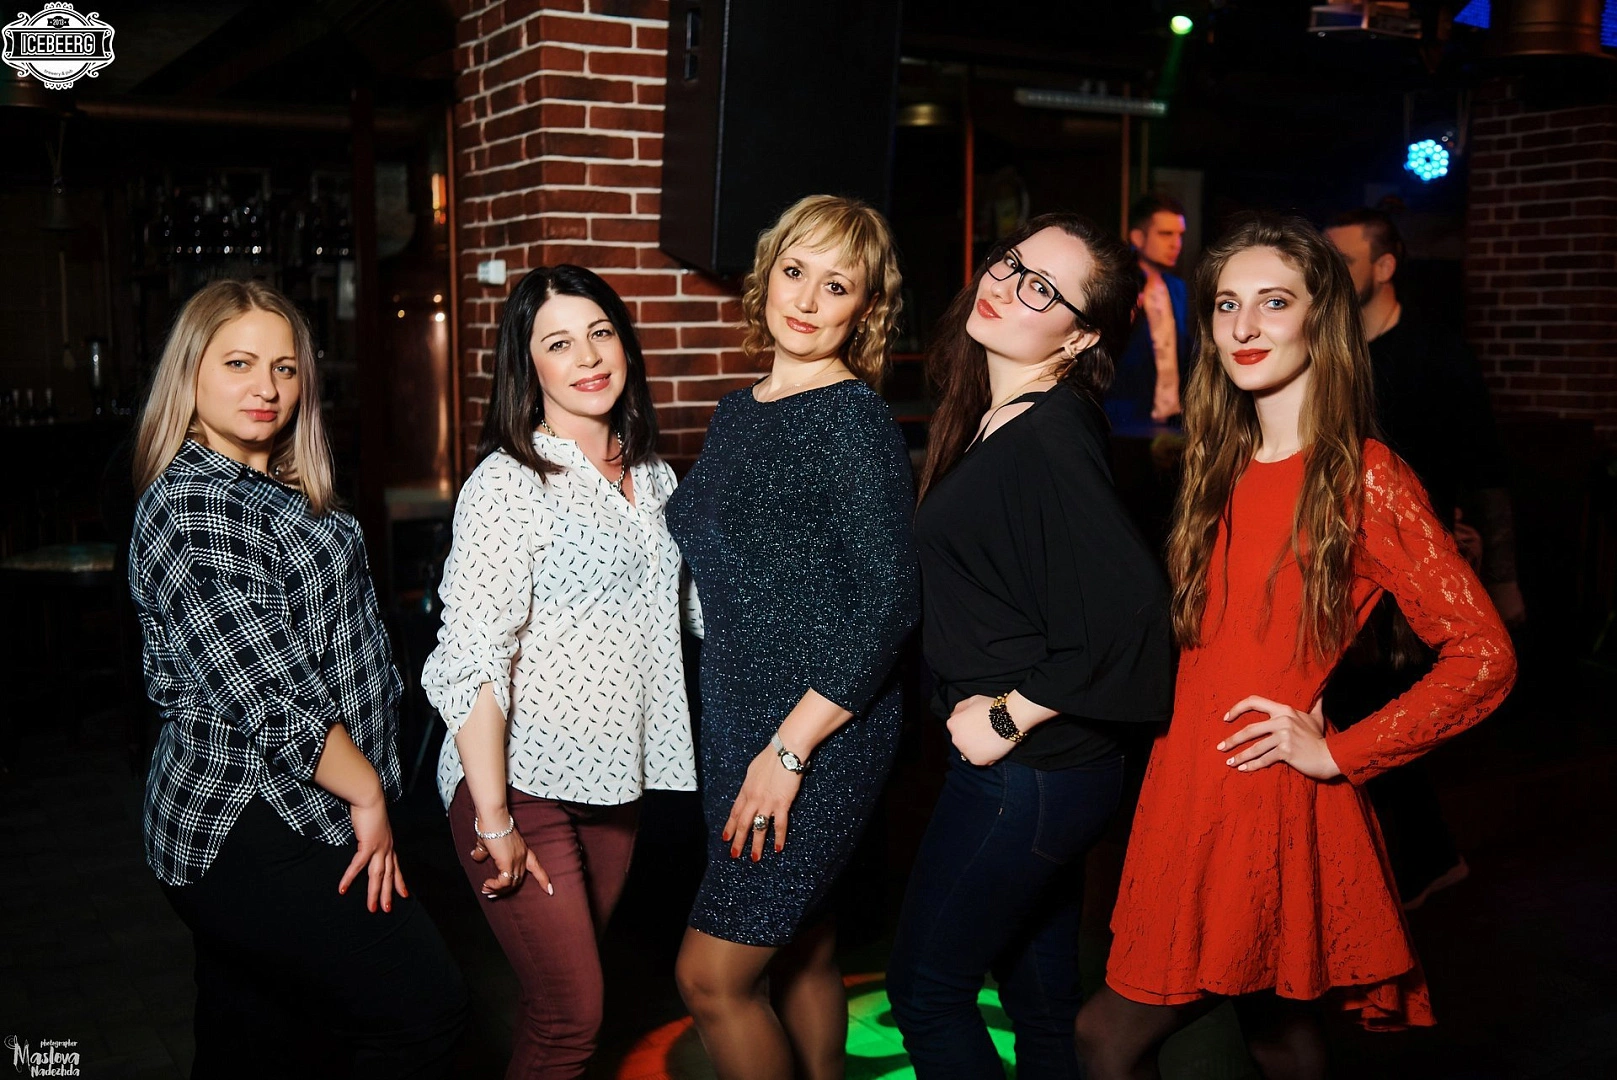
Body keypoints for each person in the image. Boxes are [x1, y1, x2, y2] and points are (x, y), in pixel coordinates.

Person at [1075, 214, 1517, 1079]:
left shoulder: (1364, 474)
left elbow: (1483, 655)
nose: (1243, 326)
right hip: (1184, 780)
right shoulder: (1217, 461)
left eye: (1273, 302)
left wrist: (1339, 752)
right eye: (1225, 304)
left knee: (1105, 1036)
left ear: (1321, 318)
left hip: (1257, 793)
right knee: (1275, 1028)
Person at [128, 280, 467, 1079]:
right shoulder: (195, 504)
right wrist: (369, 794)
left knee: (258, 1043)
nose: (267, 387)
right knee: (426, 1013)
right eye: (239, 363)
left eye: (284, 368)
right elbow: (270, 701)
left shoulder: (266, 484)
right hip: (254, 816)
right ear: (190, 372)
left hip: (297, 801)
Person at [885, 213, 1174, 1078]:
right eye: (1010, 264)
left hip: (1030, 774)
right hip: (1055, 777)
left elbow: (1132, 610)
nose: (1006, 287)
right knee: (1041, 1003)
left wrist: (1009, 716)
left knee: (925, 991)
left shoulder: (1048, 435)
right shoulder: (1008, 414)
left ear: (1079, 336)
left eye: (1041, 288)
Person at [665, 194, 919, 1080]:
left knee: (711, 979)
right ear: (766, 276)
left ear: (866, 308)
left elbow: (890, 603)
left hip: (815, 730)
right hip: (737, 713)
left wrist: (789, 750)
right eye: (794, 271)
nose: (807, 300)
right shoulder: (741, 410)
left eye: (836, 284)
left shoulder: (851, 420)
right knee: (804, 945)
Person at [421, 265, 697, 1078]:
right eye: (559, 343)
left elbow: (691, 615)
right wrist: (493, 816)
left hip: (616, 783)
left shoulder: (655, 477)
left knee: (555, 1005)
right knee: (575, 1015)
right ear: (528, 364)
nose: (588, 357)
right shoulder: (508, 483)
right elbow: (472, 655)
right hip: (518, 783)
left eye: (600, 333)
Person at [1324, 208, 1524, 910]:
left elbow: (1485, 469)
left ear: (1384, 267)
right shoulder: (1328, 351)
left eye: (1345, 260)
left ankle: (1424, 864)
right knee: (1351, 706)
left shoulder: (1437, 354)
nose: (1330, 272)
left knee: (1377, 709)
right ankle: (1414, 862)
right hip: (1342, 568)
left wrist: (1502, 579)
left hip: (1416, 572)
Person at [1104, 192, 1194, 427]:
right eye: (1165, 234)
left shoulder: (1177, 288)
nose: (1176, 244)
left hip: (1172, 417)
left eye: (1180, 235)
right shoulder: (1119, 285)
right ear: (1138, 237)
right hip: (1125, 417)